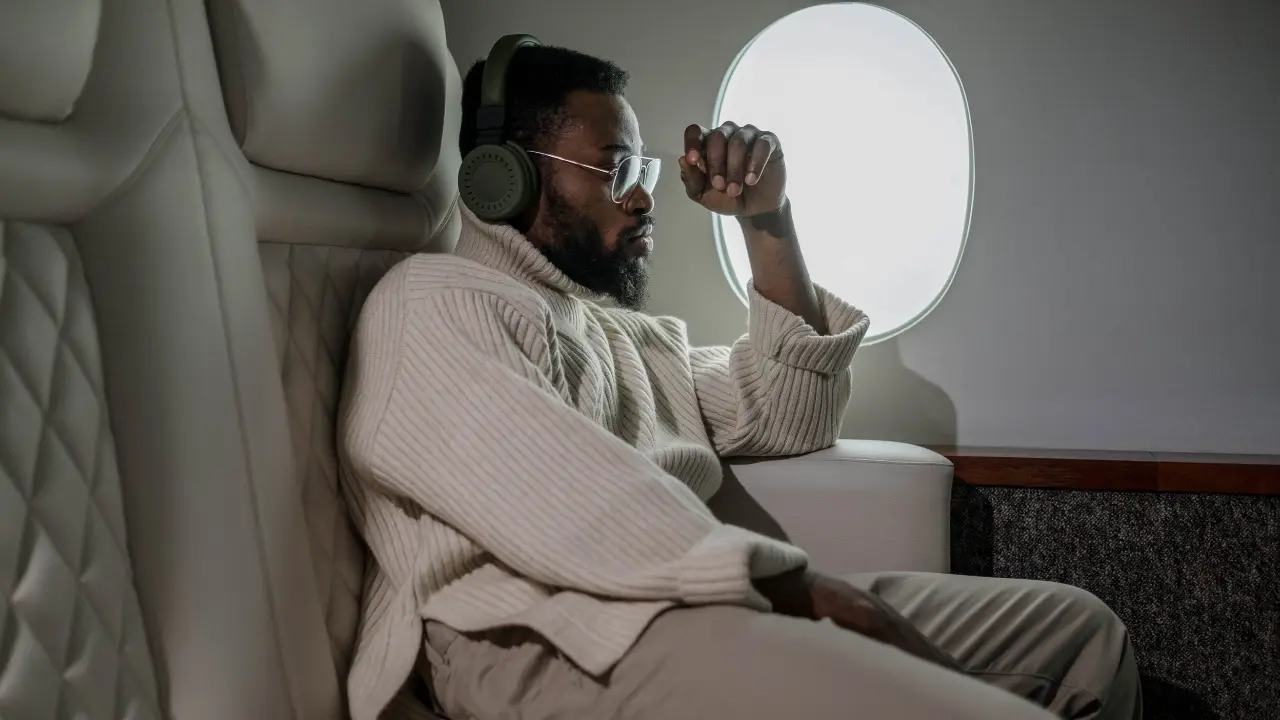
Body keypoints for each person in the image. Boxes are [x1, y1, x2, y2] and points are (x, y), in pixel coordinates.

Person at [337, 38, 1142, 720]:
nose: (646, 196)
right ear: (500, 177)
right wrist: (814, 595)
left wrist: (766, 217)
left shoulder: (619, 334)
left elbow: (794, 416)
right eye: (615, 170)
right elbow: (574, 504)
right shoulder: (432, 305)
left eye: (641, 166)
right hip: (530, 642)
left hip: (676, 604)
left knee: (1081, 636)